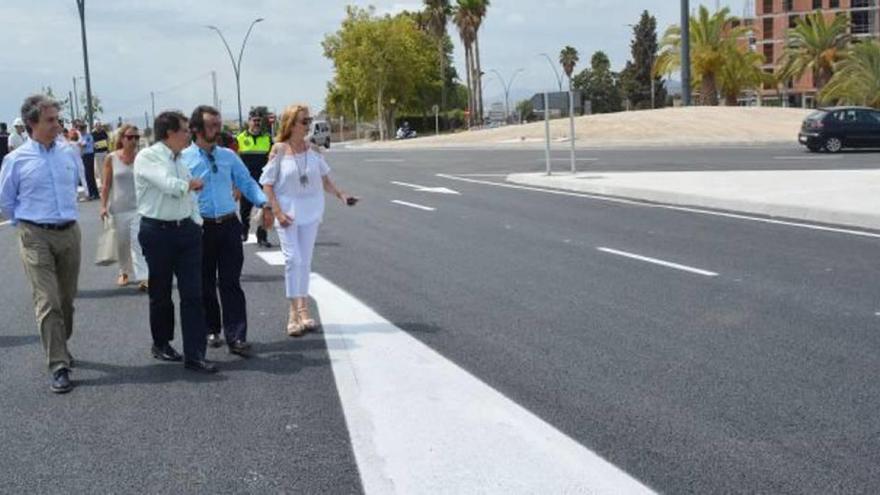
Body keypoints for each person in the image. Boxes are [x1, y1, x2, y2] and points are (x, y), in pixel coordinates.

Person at [0, 95, 82, 393]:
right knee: (47, 301)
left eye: (58, 120)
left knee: (66, 300)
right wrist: (28, 225)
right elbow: (6, 202)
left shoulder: (69, 153)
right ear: (32, 123)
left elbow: (77, 187)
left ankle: (60, 343)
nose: (57, 125)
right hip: (35, 235)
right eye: (50, 120)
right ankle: (58, 364)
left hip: (70, 232)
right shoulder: (16, 160)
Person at [182, 105, 272, 355]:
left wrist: (264, 203)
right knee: (205, 283)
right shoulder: (182, 159)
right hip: (200, 228)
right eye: (211, 125)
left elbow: (247, 182)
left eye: (218, 124)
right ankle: (212, 328)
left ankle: (237, 336)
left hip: (229, 225)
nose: (217, 129)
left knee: (231, 282)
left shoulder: (229, 156)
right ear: (197, 129)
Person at [261, 104, 356, 337]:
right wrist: (277, 212)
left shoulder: (313, 150)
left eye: (309, 120)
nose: (308, 125)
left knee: (305, 262)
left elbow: (325, 180)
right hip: (287, 214)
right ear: (291, 124)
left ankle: (304, 309)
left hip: (311, 212)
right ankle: (293, 312)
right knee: (293, 259)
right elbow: (268, 183)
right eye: (304, 121)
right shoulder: (279, 150)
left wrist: (342, 195)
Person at [134, 110, 216, 373]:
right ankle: (162, 343)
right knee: (161, 294)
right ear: (169, 133)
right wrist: (188, 184)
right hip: (157, 232)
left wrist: (196, 222)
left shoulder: (180, 160)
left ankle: (195, 355)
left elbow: (189, 196)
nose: (188, 134)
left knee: (193, 294)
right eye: (184, 130)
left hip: (186, 232)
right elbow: (168, 184)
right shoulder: (148, 157)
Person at [100, 124, 148, 290]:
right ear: (121, 138)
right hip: (118, 208)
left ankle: (144, 277)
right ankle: (124, 271)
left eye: (136, 137)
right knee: (122, 243)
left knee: (138, 242)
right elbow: (106, 185)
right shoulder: (111, 158)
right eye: (130, 137)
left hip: (138, 208)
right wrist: (103, 206)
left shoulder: (142, 158)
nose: (133, 141)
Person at [237, 109, 273, 247]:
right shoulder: (240, 138)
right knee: (244, 209)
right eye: (254, 120)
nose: (257, 123)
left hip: (262, 180)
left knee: (264, 208)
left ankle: (262, 237)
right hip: (245, 180)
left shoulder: (267, 138)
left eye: (259, 120)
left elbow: (273, 158)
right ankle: (244, 232)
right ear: (249, 121)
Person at [78, 121, 99, 200]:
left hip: (88, 155)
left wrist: (77, 144)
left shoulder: (88, 136)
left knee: (89, 175)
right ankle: (93, 193)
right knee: (87, 175)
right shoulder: (81, 136)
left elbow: (84, 145)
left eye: (82, 129)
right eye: (81, 129)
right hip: (84, 156)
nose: (81, 130)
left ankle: (93, 193)